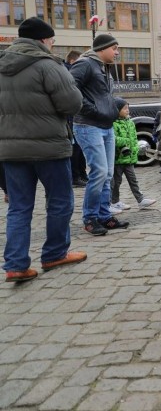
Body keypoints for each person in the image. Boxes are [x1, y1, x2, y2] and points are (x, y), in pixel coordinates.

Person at [0, 18, 86, 283]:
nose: (52, 44)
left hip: (11, 149)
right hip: (49, 147)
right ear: (43, 40)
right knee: (59, 200)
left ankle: (15, 265)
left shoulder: (1, 64)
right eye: (52, 40)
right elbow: (72, 104)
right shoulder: (48, 65)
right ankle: (55, 253)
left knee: (19, 206)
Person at [70, 33, 128, 236]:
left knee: (108, 174)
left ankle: (104, 216)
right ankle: (90, 218)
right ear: (102, 49)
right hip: (88, 125)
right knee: (99, 172)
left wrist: (110, 109)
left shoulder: (104, 67)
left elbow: (104, 95)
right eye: (114, 48)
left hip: (105, 126)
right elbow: (70, 87)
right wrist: (90, 109)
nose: (117, 52)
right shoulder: (85, 64)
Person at [110, 98, 157, 212]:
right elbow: (113, 139)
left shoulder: (130, 122)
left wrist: (135, 149)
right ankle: (114, 202)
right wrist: (125, 141)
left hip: (129, 158)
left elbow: (135, 138)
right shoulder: (113, 124)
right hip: (118, 159)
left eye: (128, 108)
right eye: (124, 108)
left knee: (133, 180)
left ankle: (140, 200)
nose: (127, 110)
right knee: (116, 182)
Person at [65, 50, 88, 187]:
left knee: (79, 149)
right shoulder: (69, 73)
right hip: (71, 118)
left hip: (74, 117)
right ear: (73, 62)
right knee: (75, 150)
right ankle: (76, 177)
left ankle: (82, 174)